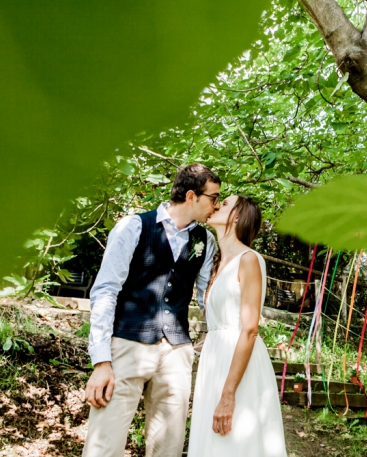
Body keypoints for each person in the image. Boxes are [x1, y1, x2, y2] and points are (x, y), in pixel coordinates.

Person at [83, 163, 222, 457]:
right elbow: (105, 291)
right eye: (213, 197)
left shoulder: (206, 241)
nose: (217, 205)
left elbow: (206, 297)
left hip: (176, 352)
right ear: (191, 196)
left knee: (168, 448)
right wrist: (101, 361)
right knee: (104, 444)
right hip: (127, 344)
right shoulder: (133, 226)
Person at [188, 195, 287, 457]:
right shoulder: (216, 264)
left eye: (225, 203)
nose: (217, 205)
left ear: (237, 217)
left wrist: (228, 393)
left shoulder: (249, 259)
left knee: (236, 444)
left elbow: (250, 329)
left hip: (238, 365)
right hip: (214, 362)